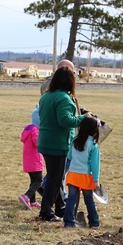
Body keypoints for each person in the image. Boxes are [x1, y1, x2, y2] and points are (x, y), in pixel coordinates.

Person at [36, 67, 87, 222]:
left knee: (55, 177)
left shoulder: (46, 96)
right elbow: (65, 120)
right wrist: (83, 118)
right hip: (57, 143)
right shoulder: (64, 98)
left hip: (45, 141)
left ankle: (60, 207)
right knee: (55, 179)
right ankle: (46, 212)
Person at [63, 116, 101, 228]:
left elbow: (69, 156)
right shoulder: (93, 145)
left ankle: (68, 222)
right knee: (89, 200)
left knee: (71, 199)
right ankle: (94, 222)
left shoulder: (74, 141)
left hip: (73, 174)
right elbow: (95, 165)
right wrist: (96, 180)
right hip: (86, 176)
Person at [19, 107, 44, 209]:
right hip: (35, 161)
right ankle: (27, 196)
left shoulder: (29, 130)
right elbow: (38, 144)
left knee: (33, 181)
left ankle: (32, 201)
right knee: (38, 181)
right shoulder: (36, 131)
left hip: (28, 161)